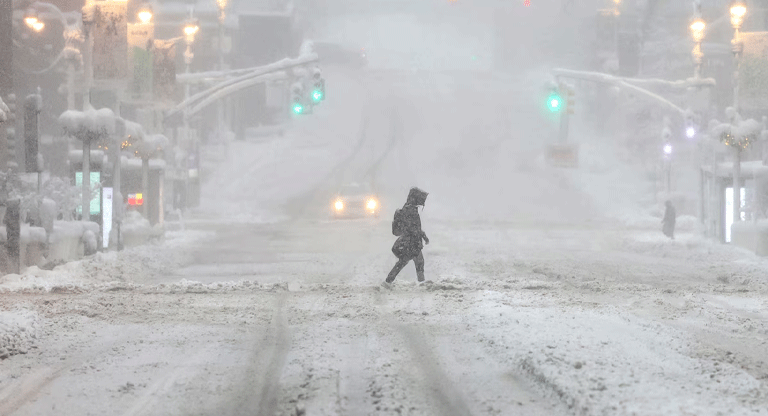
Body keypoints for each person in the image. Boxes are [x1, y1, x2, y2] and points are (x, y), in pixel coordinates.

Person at [383, 187, 430, 289]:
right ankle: (421, 283)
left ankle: (388, 281)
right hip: (411, 241)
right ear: (415, 198)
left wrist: (423, 236)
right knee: (414, 262)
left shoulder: (409, 208)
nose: (422, 201)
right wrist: (423, 236)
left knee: (406, 262)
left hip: (410, 241)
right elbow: (413, 228)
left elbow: (415, 227)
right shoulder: (410, 210)